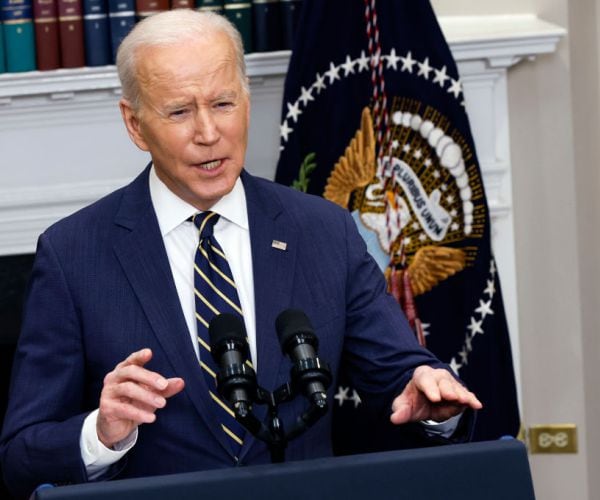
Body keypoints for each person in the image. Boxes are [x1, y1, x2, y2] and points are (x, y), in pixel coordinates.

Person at [0, 9, 481, 499]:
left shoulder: (322, 231)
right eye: (180, 112)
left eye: (224, 103)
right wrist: (101, 434)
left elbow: (401, 373)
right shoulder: (74, 253)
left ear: (247, 102)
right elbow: (21, 454)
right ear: (135, 125)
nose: (208, 132)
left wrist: (432, 401)